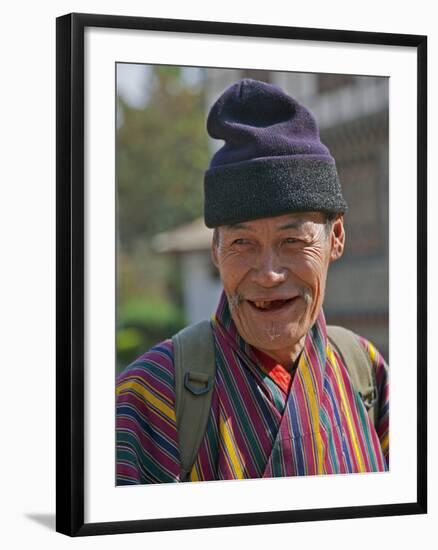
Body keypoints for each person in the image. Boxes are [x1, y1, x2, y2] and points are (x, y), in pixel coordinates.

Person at [116, 78, 389, 484]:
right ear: (216, 250)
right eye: (242, 242)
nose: (268, 274)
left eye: (292, 240)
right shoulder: (151, 396)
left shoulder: (363, 371)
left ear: (336, 238)